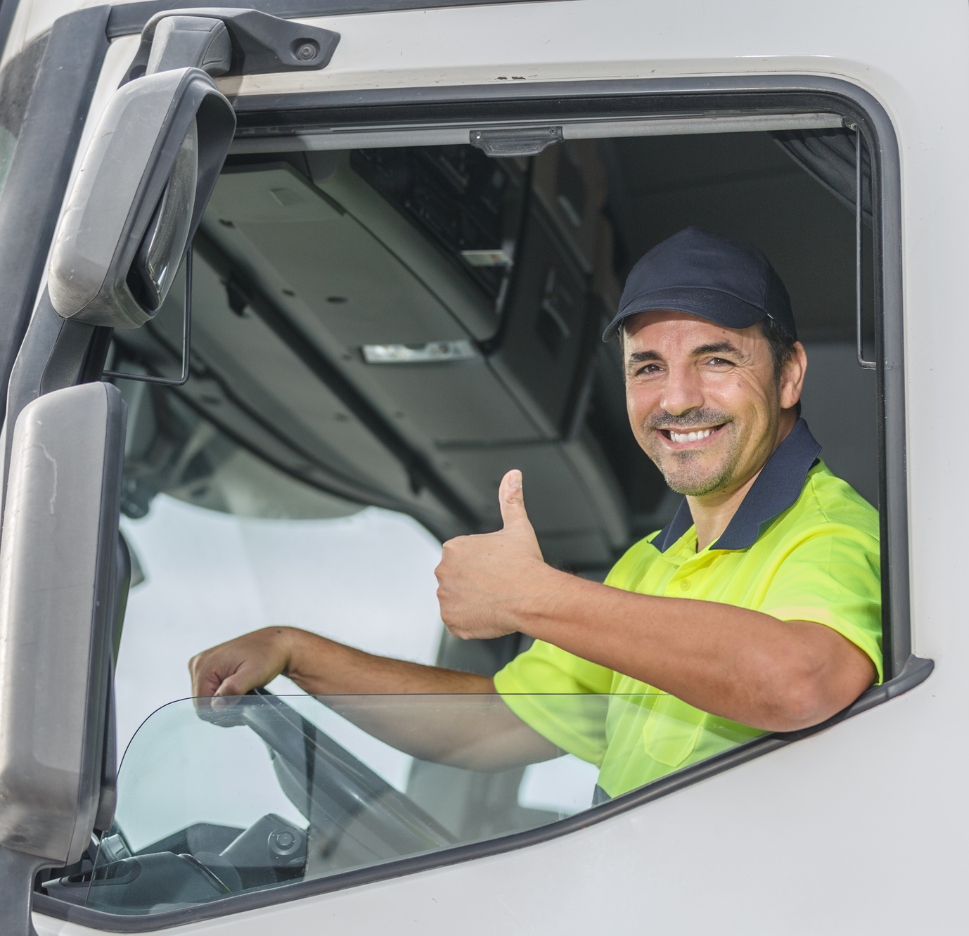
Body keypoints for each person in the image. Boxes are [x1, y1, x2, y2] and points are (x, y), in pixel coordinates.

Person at [190, 227, 881, 800]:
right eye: (647, 367)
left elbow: (802, 681)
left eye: (717, 359)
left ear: (788, 375)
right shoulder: (648, 567)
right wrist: (297, 650)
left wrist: (530, 596)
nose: (676, 399)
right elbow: (491, 726)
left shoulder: (828, 531)